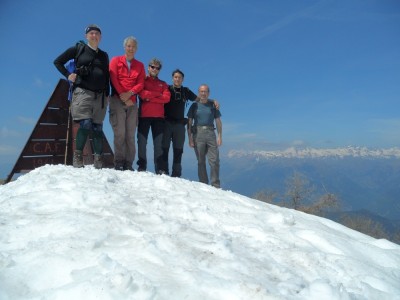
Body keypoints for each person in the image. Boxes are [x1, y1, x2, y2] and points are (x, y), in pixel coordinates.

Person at [54, 24, 110, 169]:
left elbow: (106, 76)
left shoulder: (104, 55)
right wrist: (68, 75)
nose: (94, 35)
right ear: (86, 36)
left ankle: (98, 160)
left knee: (98, 126)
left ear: (101, 37)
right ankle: (78, 157)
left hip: (100, 96)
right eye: (91, 33)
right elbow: (58, 61)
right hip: (83, 92)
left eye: (97, 33)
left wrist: (107, 93)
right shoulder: (78, 49)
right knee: (85, 123)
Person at [161, 69, 220, 177]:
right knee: (164, 147)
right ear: (172, 78)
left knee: (178, 149)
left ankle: (176, 174)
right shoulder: (167, 89)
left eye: (179, 77)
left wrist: (212, 101)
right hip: (166, 123)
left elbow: (199, 99)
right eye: (175, 77)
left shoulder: (185, 91)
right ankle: (164, 171)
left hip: (179, 124)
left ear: (182, 79)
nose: (177, 79)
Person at [109, 36, 145, 171]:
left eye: (133, 47)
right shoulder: (115, 60)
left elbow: (141, 83)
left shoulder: (140, 65)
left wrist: (130, 94)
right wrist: (123, 96)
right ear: (124, 47)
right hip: (117, 100)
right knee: (120, 133)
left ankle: (128, 163)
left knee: (130, 134)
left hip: (132, 102)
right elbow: (113, 78)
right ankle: (118, 162)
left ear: (136, 49)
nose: (131, 49)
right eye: (129, 46)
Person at [137, 58, 171, 174]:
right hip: (144, 116)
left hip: (159, 118)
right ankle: (142, 166)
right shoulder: (143, 80)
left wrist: (150, 98)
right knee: (142, 142)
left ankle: (160, 169)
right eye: (152, 67)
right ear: (148, 67)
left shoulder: (163, 84)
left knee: (158, 144)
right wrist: (158, 95)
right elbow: (142, 94)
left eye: (157, 68)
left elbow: (166, 98)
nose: (155, 69)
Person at [187, 84, 222, 188]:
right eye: (201, 91)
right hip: (197, 133)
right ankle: (203, 184)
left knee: (215, 160)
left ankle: (215, 185)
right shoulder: (194, 106)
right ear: (199, 92)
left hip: (211, 133)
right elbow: (189, 122)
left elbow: (218, 121)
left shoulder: (213, 105)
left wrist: (220, 136)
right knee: (201, 161)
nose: (203, 93)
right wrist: (189, 138)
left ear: (208, 93)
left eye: (205, 91)